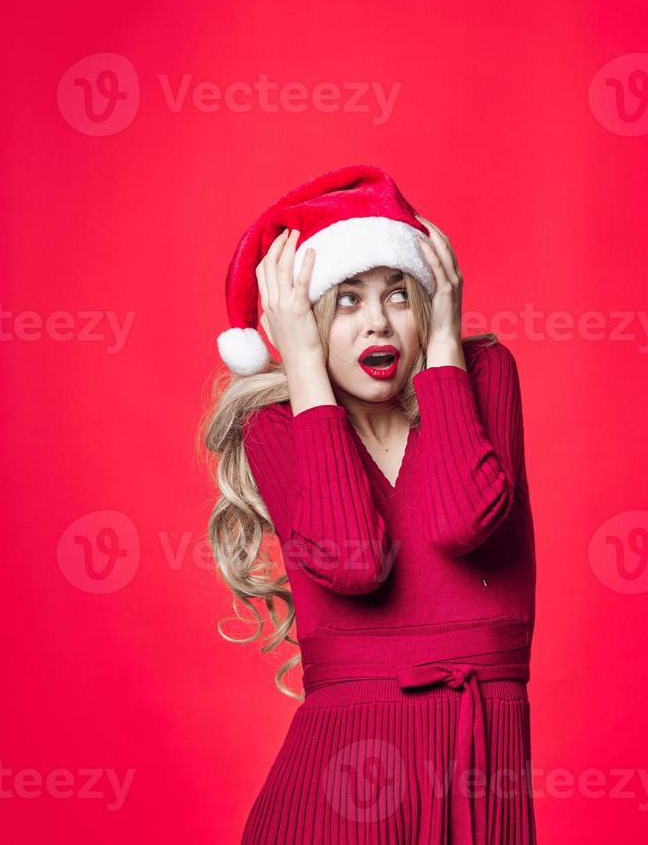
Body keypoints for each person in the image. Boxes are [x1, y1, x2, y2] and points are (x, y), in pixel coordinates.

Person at [199, 165, 537, 844]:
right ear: (306, 319)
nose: (377, 322)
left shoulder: (483, 377)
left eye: (398, 295)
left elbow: (461, 519)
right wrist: (302, 371)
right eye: (345, 300)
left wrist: (444, 346)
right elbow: (354, 562)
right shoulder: (277, 425)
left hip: (477, 785)